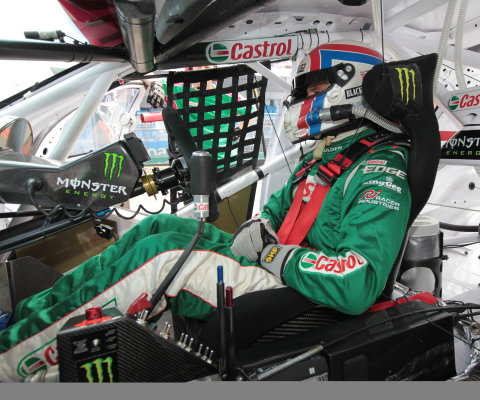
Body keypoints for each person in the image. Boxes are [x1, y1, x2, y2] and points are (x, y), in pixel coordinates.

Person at [0, 40, 410, 381]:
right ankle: (27, 319)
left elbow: (358, 282)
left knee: (161, 261)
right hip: (276, 262)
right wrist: (260, 226)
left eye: (311, 89)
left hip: (302, 288)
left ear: (351, 86)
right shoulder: (327, 154)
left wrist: (270, 253)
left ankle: (9, 363)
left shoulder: (379, 169)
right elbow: (276, 208)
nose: (300, 99)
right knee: (157, 227)